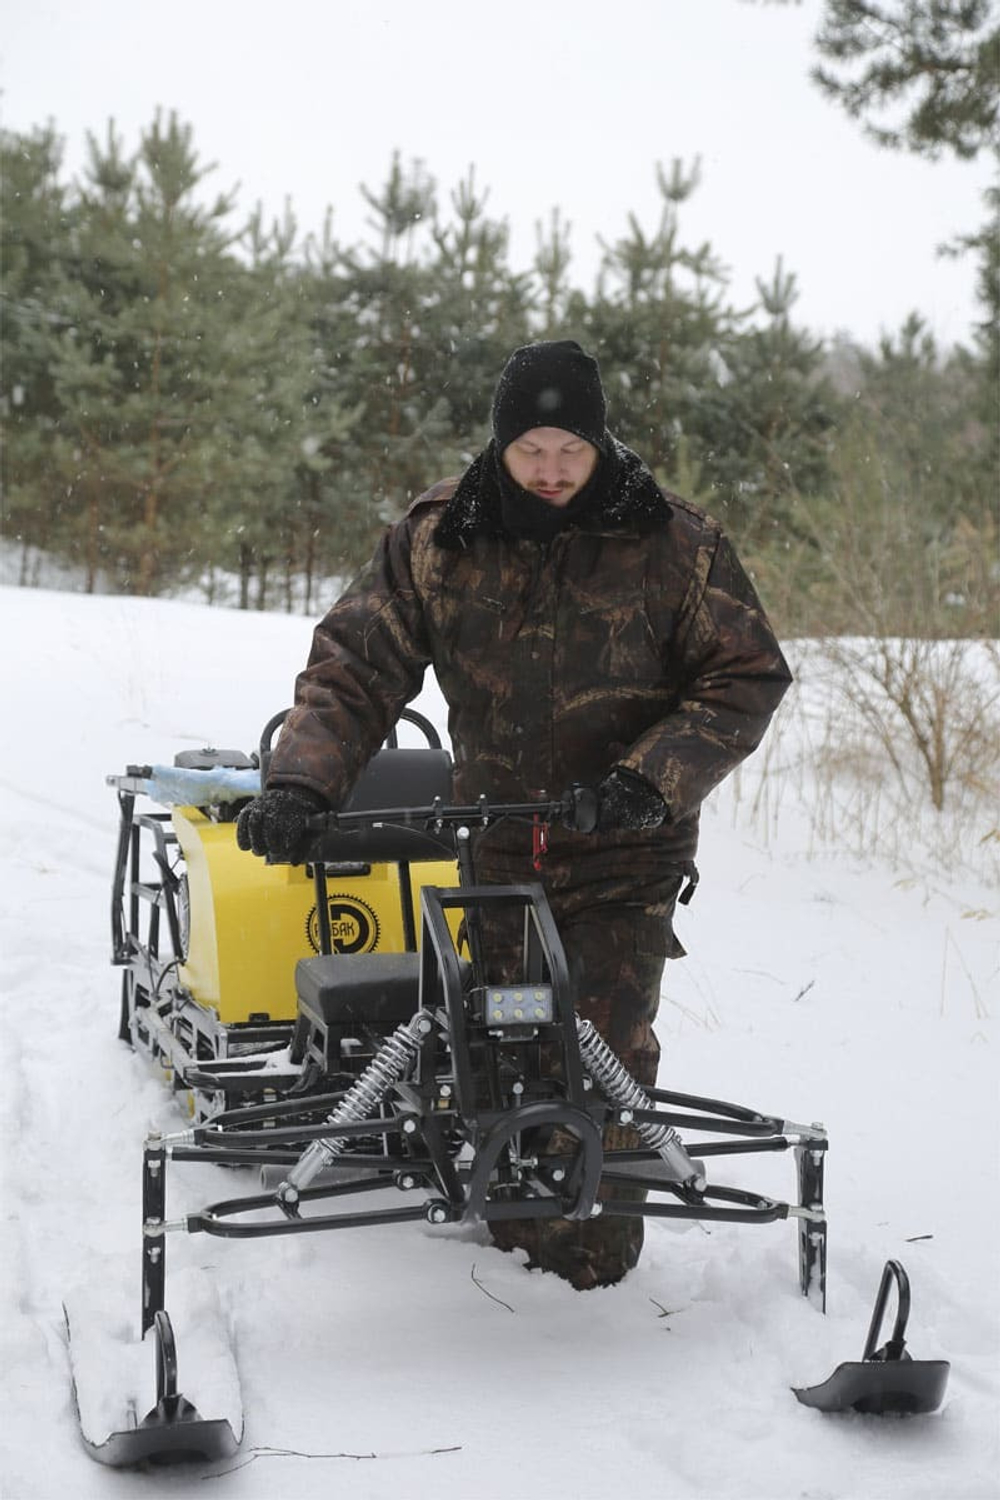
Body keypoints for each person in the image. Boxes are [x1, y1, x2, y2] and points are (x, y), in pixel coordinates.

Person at [237, 339, 792, 1290]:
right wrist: (300, 785)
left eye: (570, 449)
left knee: (599, 1055)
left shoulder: (676, 543)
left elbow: (745, 676)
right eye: (531, 449)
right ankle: (514, 1261)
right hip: (497, 847)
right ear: (500, 445)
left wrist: (648, 779)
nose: (550, 469)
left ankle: (587, 1266)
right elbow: (354, 668)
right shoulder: (439, 537)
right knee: (502, 1052)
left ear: (600, 443)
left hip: (625, 850)